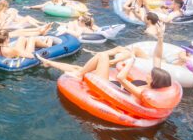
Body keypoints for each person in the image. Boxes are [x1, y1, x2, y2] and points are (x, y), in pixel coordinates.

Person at [40, 23, 172, 97]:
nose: (148, 73)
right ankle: (48, 62)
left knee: (102, 56)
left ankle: (79, 75)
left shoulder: (144, 92)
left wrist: (130, 61)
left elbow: (121, 78)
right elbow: (157, 57)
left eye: (151, 75)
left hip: (107, 89)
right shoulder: (150, 84)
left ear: (154, 81)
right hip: (112, 84)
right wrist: (160, 38)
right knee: (79, 68)